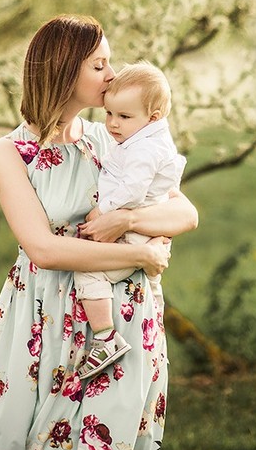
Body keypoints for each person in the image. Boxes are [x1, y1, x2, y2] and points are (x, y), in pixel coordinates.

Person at [0, 14, 198, 450]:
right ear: (65, 70)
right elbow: (44, 249)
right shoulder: (11, 152)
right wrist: (137, 251)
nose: (113, 73)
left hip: (122, 315)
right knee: (26, 435)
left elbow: (185, 213)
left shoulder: (115, 135)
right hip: (45, 313)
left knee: (107, 445)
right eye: (100, 64)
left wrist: (127, 218)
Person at [73, 62, 186, 381]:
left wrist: (103, 211)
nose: (112, 124)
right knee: (152, 289)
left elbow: (133, 190)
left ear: (153, 117)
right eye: (109, 114)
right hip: (146, 233)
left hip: (132, 236)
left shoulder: (145, 150)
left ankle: (106, 337)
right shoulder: (146, 140)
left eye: (123, 117)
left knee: (87, 269)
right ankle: (155, 332)